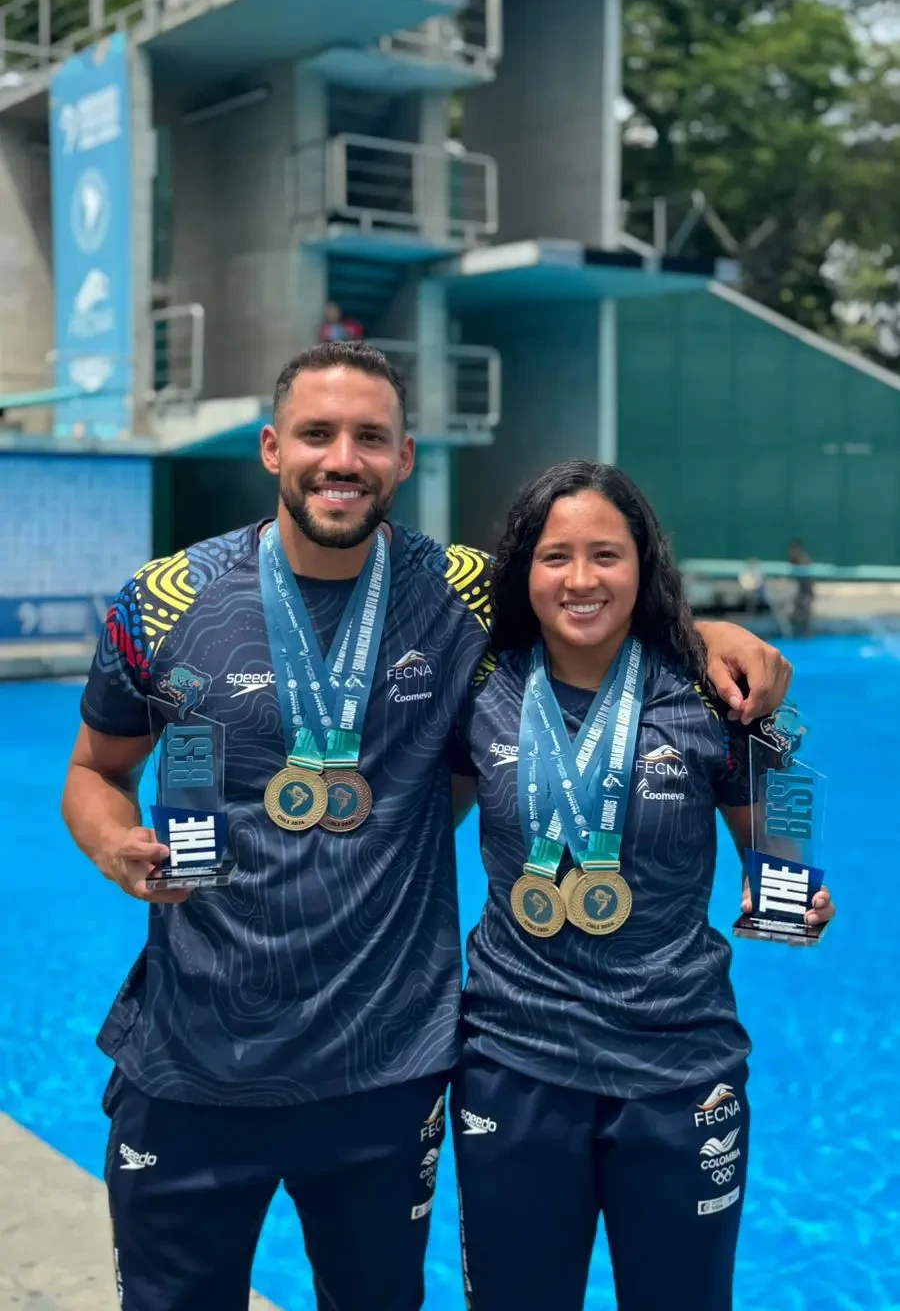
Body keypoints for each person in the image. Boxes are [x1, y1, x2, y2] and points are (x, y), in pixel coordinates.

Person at [62, 343, 792, 1311]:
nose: (343, 458)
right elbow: (94, 772)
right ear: (273, 447)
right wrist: (115, 844)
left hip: (385, 1065)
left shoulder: (465, 589)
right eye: (318, 434)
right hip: (193, 1057)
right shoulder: (163, 600)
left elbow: (588, 595)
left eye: (371, 437)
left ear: (405, 458)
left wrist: (711, 636)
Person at [450, 460, 834, 1311]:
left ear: (645, 565)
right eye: (556, 557)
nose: (581, 580)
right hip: (515, 1064)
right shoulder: (480, 691)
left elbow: (774, 850)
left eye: (606, 555)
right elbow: (400, 836)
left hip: (679, 1069)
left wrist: (797, 902)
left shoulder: (715, 696)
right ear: (525, 572)